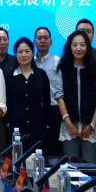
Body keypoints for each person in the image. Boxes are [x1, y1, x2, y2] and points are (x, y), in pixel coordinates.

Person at [55, 31, 96, 163]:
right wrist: (69, 123)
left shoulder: (95, 69)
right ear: (69, 47)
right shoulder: (63, 68)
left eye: (82, 45)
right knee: (72, 167)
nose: (78, 48)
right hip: (69, 126)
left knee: (89, 167)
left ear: (87, 47)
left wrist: (92, 125)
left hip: (90, 126)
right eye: (75, 45)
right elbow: (59, 96)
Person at [6, 38, 51, 152]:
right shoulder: (10, 76)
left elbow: (46, 101)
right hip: (16, 127)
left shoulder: (41, 74)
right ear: (15, 54)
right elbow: (7, 101)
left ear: (32, 52)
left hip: (38, 126)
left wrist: (46, 123)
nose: (24, 55)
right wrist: (8, 122)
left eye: (27, 51)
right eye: (20, 52)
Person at [33, 27, 62, 155]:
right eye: (39, 38)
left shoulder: (57, 62)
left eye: (46, 38)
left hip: (53, 110)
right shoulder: (29, 62)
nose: (42, 41)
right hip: (34, 110)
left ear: (51, 42)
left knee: (52, 149)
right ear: (34, 42)